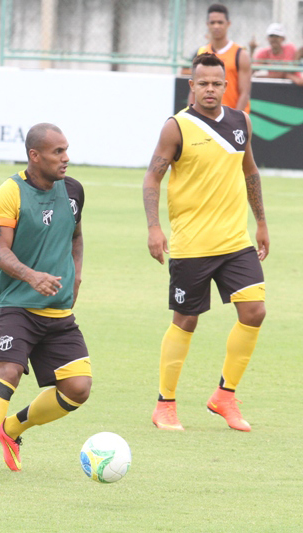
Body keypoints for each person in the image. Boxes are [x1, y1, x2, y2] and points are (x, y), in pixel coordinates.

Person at [143, 52, 268, 433]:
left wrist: (261, 222)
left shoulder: (240, 122)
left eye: (216, 83)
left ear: (225, 86)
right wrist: (154, 227)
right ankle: (165, 404)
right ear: (191, 86)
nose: (210, 89)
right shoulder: (176, 127)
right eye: (203, 83)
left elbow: (250, 172)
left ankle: (224, 397)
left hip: (235, 242)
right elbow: (152, 178)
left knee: (255, 312)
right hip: (192, 246)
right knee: (186, 320)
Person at [0, 123, 90, 481]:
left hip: (59, 310)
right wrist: (32, 275)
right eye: (57, 152)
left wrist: (77, 274)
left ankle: (12, 429)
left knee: (78, 388)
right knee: (8, 372)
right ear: (35, 156)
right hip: (16, 303)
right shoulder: (11, 192)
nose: (66, 158)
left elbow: (76, 236)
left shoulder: (74, 191)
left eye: (66, 150)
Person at [189, 4, 251, 112]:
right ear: (207, 24)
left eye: (220, 22)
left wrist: (234, 119)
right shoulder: (201, 52)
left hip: (230, 117)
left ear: (228, 24)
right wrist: (190, 114)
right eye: (212, 23)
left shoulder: (240, 54)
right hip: (205, 118)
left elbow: (244, 93)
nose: (216, 26)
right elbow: (193, 91)